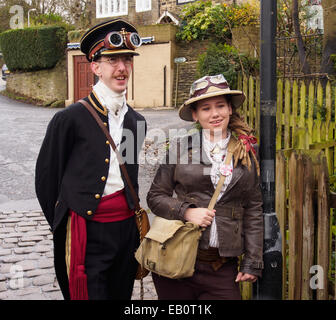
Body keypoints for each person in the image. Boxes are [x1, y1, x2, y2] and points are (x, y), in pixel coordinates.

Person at [35, 18, 147, 300]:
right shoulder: (69, 119)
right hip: (87, 233)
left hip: (125, 233)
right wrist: (64, 224)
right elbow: (46, 181)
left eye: (127, 60)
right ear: (95, 67)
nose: (122, 68)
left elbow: (129, 176)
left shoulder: (137, 121)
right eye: (112, 60)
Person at [146, 74, 264, 300]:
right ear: (195, 115)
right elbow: (155, 197)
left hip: (221, 268)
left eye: (220, 106)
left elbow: (253, 208)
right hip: (175, 260)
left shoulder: (246, 153)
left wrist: (252, 262)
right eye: (206, 108)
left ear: (230, 109)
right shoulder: (179, 150)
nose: (215, 114)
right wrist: (187, 211)